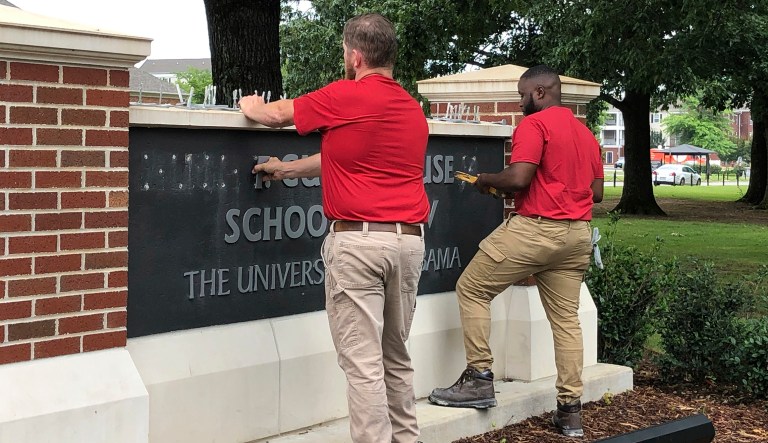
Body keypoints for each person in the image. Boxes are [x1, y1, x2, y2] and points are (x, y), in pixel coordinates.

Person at [239, 13, 429, 443]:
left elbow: (276, 115)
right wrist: (287, 170)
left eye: (346, 52)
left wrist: (250, 105)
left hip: (359, 244)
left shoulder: (347, 95)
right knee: (395, 358)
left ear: (355, 56)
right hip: (408, 242)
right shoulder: (409, 109)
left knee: (363, 366)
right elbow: (346, 158)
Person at [427, 65, 604, 438]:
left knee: (473, 288)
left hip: (537, 230)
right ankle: (570, 412)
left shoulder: (534, 126)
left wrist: (487, 179)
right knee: (567, 322)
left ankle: (479, 379)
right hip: (577, 237)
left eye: (522, 95)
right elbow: (597, 193)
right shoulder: (586, 135)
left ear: (539, 93)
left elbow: (519, 177)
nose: (519, 102)